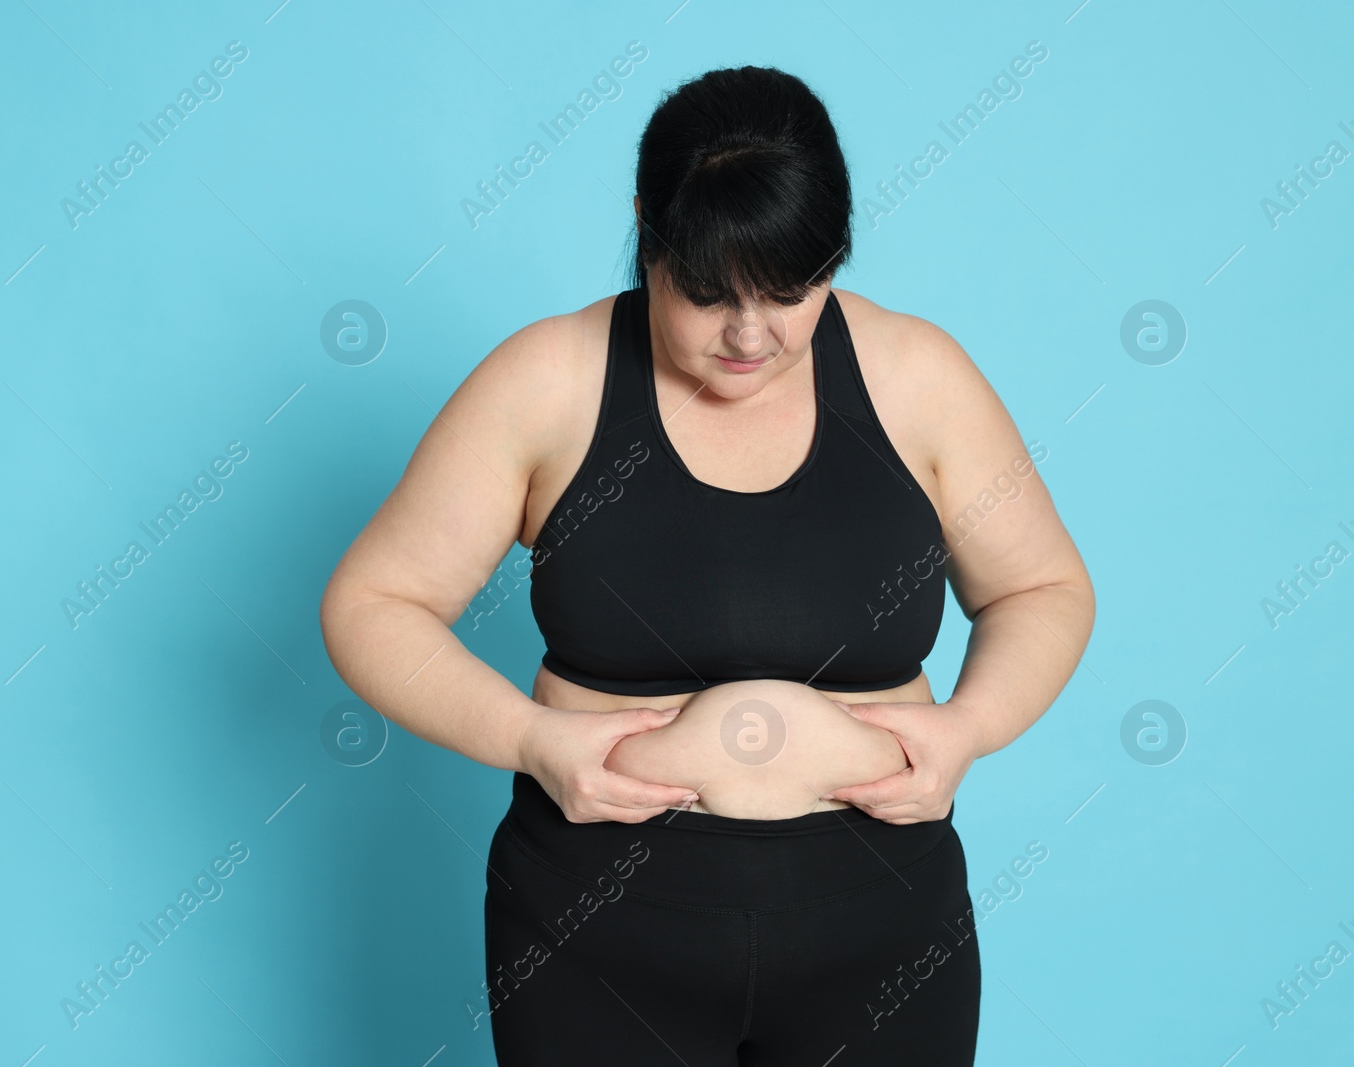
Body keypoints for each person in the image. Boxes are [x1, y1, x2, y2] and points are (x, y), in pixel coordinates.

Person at [321, 65, 1094, 1066]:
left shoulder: (918, 379)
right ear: (646, 228)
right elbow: (375, 602)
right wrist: (531, 739)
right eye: (706, 293)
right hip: (597, 927)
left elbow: (1040, 586)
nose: (748, 334)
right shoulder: (546, 381)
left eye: (791, 291)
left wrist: (968, 730)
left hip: (880, 926)